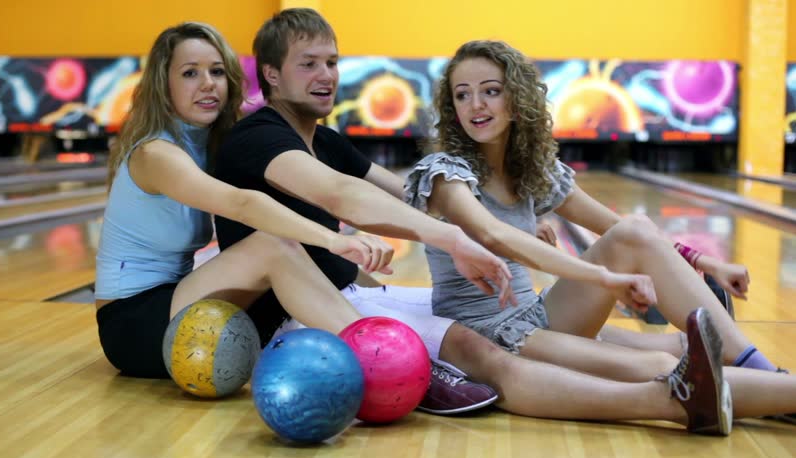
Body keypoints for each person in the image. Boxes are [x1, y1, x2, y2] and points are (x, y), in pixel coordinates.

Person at [213, 8, 742, 435]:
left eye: (331, 62)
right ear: (273, 75)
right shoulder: (259, 136)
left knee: (578, 337)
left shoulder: (324, 138)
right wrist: (468, 232)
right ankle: (667, 396)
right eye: (309, 64)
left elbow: (411, 197)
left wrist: (494, 221)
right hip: (292, 315)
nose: (327, 75)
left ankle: (735, 370)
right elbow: (344, 194)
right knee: (481, 344)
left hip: (346, 294)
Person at [404, 39, 796, 425]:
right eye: (462, 95)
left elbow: (615, 228)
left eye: (491, 91)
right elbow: (494, 236)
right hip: (490, 335)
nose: (476, 105)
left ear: (518, 99)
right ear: (451, 107)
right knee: (660, 366)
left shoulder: (530, 169)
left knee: (636, 234)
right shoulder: (444, 174)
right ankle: (779, 390)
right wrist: (604, 278)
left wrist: (704, 261)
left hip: (538, 313)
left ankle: (762, 373)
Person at [94, 22, 402, 379]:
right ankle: (379, 356)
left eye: (217, 71)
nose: (208, 83)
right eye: (190, 73)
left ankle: (380, 327)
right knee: (272, 246)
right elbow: (243, 204)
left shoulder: (213, 146)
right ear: (163, 85)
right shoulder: (156, 154)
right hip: (132, 322)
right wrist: (335, 240)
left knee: (283, 256)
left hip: (177, 300)